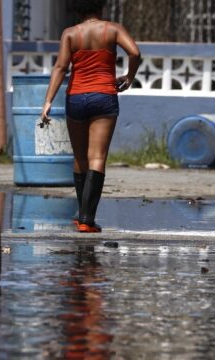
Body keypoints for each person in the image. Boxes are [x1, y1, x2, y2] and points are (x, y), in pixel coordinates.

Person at [41, 0, 141, 233]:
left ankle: (81, 215)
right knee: (97, 157)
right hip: (104, 96)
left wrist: (47, 102)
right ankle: (87, 219)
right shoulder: (112, 29)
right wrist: (129, 76)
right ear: (100, 6)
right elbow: (135, 52)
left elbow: (60, 68)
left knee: (80, 158)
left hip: (76, 97)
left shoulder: (70, 33)